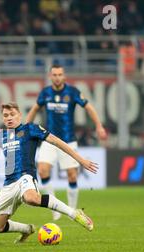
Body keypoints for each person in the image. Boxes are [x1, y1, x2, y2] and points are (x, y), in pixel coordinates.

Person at [0, 102, 97, 243]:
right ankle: (27, 230)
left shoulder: (30, 129)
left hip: (25, 177)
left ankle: (73, 213)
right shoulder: (2, 136)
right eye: (6, 115)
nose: (9, 118)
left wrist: (80, 160)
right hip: (9, 184)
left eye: (12, 114)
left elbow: (58, 142)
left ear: (20, 115)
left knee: (32, 198)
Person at [26, 64, 107, 220]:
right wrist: (24, 128)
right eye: (54, 74)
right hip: (48, 139)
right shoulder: (45, 93)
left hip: (68, 140)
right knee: (42, 170)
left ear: (64, 76)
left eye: (59, 74)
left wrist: (98, 125)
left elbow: (88, 107)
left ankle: (72, 210)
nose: (57, 77)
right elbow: (35, 109)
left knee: (72, 176)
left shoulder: (72, 92)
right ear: (51, 76)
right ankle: (55, 210)